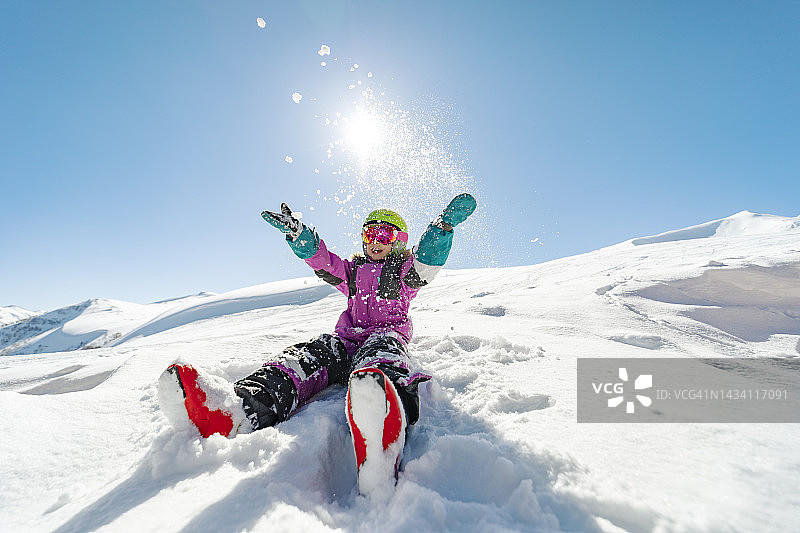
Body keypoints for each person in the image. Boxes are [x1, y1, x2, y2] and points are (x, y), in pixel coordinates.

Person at [158, 193, 476, 491]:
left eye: (384, 235)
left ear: (398, 241)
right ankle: (240, 409)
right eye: (369, 234)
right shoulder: (352, 272)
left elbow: (426, 262)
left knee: (383, 356)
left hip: (384, 336)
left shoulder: (403, 274)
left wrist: (442, 228)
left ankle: (382, 423)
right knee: (307, 356)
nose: (375, 241)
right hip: (347, 340)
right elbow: (325, 262)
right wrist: (301, 237)